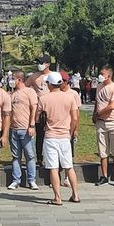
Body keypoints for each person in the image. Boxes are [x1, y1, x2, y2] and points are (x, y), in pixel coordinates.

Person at [36, 72, 80, 205]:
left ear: (50, 84)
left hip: (50, 136)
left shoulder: (44, 99)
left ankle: (57, 197)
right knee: (69, 167)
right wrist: (71, 131)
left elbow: (37, 118)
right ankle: (75, 195)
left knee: (53, 168)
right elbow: (75, 118)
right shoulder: (69, 97)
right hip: (65, 136)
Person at [7, 70, 39, 190]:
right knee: (16, 156)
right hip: (14, 129)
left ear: (19, 80)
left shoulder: (29, 91)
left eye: (13, 78)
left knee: (30, 156)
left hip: (26, 129)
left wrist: (31, 125)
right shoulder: (13, 94)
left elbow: (34, 108)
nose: (11, 81)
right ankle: (16, 180)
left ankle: (31, 180)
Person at [93, 65, 114, 187]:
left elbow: (112, 106)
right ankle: (104, 176)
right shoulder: (99, 87)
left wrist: (98, 113)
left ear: (108, 75)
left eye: (102, 73)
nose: (100, 75)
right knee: (103, 151)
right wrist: (95, 114)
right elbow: (97, 102)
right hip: (101, 122)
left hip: (113, 122)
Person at [26, 54, 56, 165]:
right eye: (38, 62)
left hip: (53, 108)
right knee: (39, 135)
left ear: (48, 64)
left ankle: (51, 157)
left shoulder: (54, 75)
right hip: (39, 109)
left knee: (51, 134)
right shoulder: (34, 76)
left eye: (41, 63)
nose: (39, 65)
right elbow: (25, 87)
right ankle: (39, 158)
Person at [60, 72, 82, 188]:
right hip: (59, 128)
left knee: (68, 153)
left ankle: (67, 177)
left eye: (61, 81)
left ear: (66, 81)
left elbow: (77, 114)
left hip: (69, 127)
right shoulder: (56, 93)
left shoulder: (73, 94)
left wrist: (76, 129)